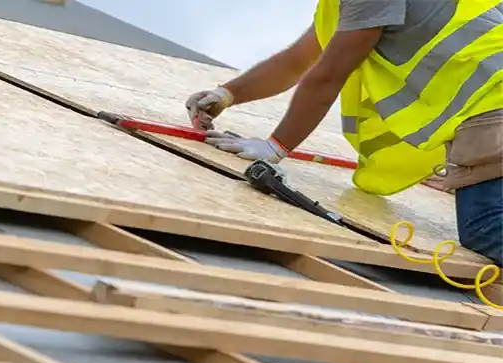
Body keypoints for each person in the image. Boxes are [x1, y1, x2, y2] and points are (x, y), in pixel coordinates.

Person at [186, 0, 502, 283]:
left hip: (494, 103)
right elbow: (300, 59)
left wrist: (275, 147)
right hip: (491, 104)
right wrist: (228, 94)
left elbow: (330, 73)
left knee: (484, 226)